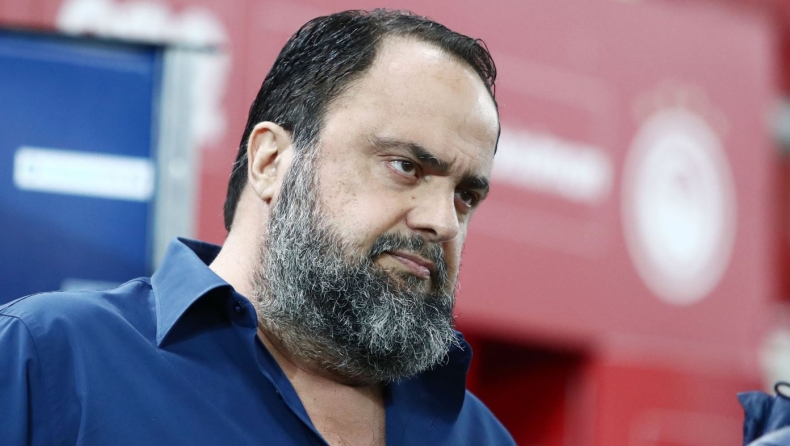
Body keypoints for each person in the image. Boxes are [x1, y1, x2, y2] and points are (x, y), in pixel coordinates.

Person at [0, 9, 514, 446]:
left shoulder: (480, 437)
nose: (443, 222)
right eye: (405, 166)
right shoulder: (49, 360)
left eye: (465, 196)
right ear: (270, 161)